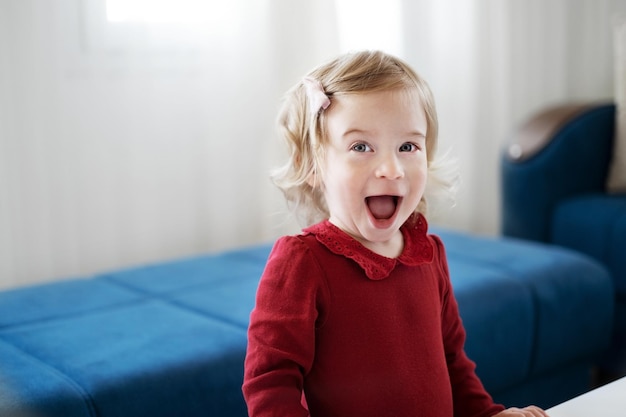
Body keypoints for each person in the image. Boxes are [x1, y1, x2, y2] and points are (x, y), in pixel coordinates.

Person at [242, 50, 549, 417]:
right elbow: (270, 381)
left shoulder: (429, 253)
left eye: (407, 146)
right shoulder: (302, 261)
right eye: (361, 147)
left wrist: (486, 413)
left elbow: (452, 360)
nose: (390, 169)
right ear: (313, 167)